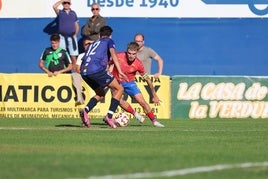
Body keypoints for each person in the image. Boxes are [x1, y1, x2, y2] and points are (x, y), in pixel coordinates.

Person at [79, 26, 127, 129]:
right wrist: (120, 71)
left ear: (100, 35)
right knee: (119, 89)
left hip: (83, 71)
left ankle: (86, 110)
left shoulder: (93, 43)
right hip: (95, 70)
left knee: (100, 93)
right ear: (110, 35)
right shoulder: (109, 41)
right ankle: (109, 116)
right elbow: (114, 55)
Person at [110, 42, 165, 127]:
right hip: (116, 82)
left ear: (137, 53)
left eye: (133, 54)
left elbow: (148, 80)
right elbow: (108, 63)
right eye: (129, 53)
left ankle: (154, 121)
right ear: (126, 51)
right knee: (119, 101)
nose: (131, 56)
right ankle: (135, 114)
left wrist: (154, 95)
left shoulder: (138, 64)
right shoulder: (118, 56)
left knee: (142, 102)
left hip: (129, 83)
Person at [53, 0, 79, 67]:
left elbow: (76, 25)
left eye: (68, 3)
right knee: (61, 54)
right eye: (65, 3)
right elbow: (54, 6)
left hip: (72, 37)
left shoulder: (73, 13)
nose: (66, 4)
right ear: (62, 4)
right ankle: (63, 71)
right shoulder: (60, 12)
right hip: (62, 37)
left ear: (70, 4)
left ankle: (75, 72)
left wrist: (75, 34)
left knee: (73, 56)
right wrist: (63, 0)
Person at [72, 39, 91, 105]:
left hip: (96, 74)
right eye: (86, 44)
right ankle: (80, 98)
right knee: (75, 75)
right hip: (84, 75)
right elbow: (77, 69)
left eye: (90, 44)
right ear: (84, 46)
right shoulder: (81, 56)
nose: (88, 45)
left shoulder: (98, 54)